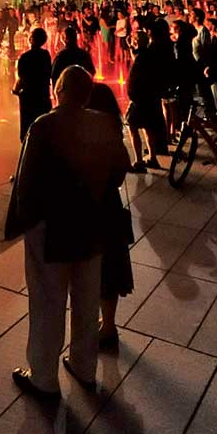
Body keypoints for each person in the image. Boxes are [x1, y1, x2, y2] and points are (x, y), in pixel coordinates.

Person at [7, 65, 130, 402]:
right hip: (92, 226)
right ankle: (84, 366)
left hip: (51, 227)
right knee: (87, 299)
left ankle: (44, 378)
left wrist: (24, 222)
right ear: (88, 94)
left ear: (56, 91)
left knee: (48, 300)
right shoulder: (103, 123)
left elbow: (26, 183)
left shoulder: (44, 125)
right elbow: (121, 167)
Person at [85, 80, 134, 352]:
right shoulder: (113, 132)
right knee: (110, 268)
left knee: (95, 268)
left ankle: (102, 326)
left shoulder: (89, 135)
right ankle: (109, 325)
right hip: (111, 207)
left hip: (94, 209)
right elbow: (122, 168)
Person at [125, 18, 174, 170]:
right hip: (149, 97)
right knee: (148, 127)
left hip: (141, 98)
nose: (133, 41)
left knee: (132, 126)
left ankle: (139, 161)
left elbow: (139, 75)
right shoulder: (149, 53)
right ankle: (152, 157)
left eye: (135, 40)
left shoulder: (144, 57)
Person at [13, 28, 53, 141]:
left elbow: (21, 79)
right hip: (43, 95)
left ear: (31, 40)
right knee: (43, 125)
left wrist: (15, 90)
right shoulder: (46, 55)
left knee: (28, 128)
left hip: (29, 98)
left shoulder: (24, 58)